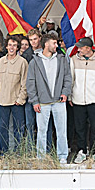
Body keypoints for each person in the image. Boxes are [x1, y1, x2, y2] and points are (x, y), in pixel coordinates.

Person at [26, 33, 72, 164]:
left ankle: (62, 156)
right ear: (46, 44)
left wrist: (65, 92)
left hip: (59, 101)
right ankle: (41, 157)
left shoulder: (61, 59)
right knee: (41, 131)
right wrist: (34, 101)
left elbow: (68, 78)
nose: (56, 45)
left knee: (62, 131)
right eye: (54, 43)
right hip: (42, 102)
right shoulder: (35, 61)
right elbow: (30, 82)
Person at [69, 37, 95, 162]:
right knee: (80, 127)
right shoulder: (74, 60)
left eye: (81, 47)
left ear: (88, 48)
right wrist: (70, 96)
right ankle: (82, 150)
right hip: (78, 100)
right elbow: (71, 80)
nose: (79, 49)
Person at [0, 36, 29, 154]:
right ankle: (4, 152)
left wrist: (21, 99)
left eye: (14, 45)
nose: (12, 48)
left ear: (17, 47)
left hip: (17, 101)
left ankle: (18, 152)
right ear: (6, 46)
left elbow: (25, 83)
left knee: (18, 128)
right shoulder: (0, 62)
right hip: (2, 100)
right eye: (10, 45)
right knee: (2, 128)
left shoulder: (22, 62)